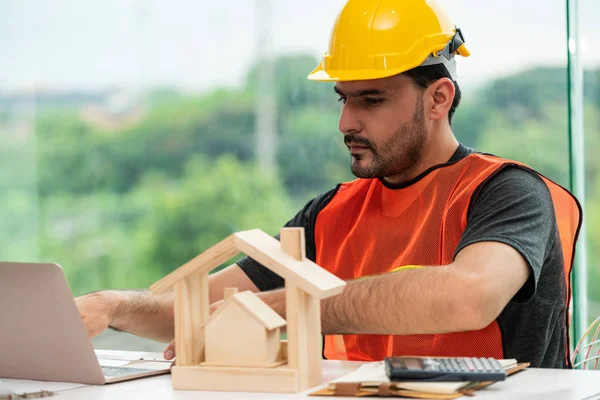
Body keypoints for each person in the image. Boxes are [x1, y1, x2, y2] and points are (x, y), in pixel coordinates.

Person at [76, 0, 581, 369]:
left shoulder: (507, 192)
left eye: (372, 100)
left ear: (438, 98)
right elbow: (203, 310)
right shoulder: (331, 214)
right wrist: (115, 305)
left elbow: (469, 295)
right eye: (343, 99)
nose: (346, 122)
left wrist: (298, 308)